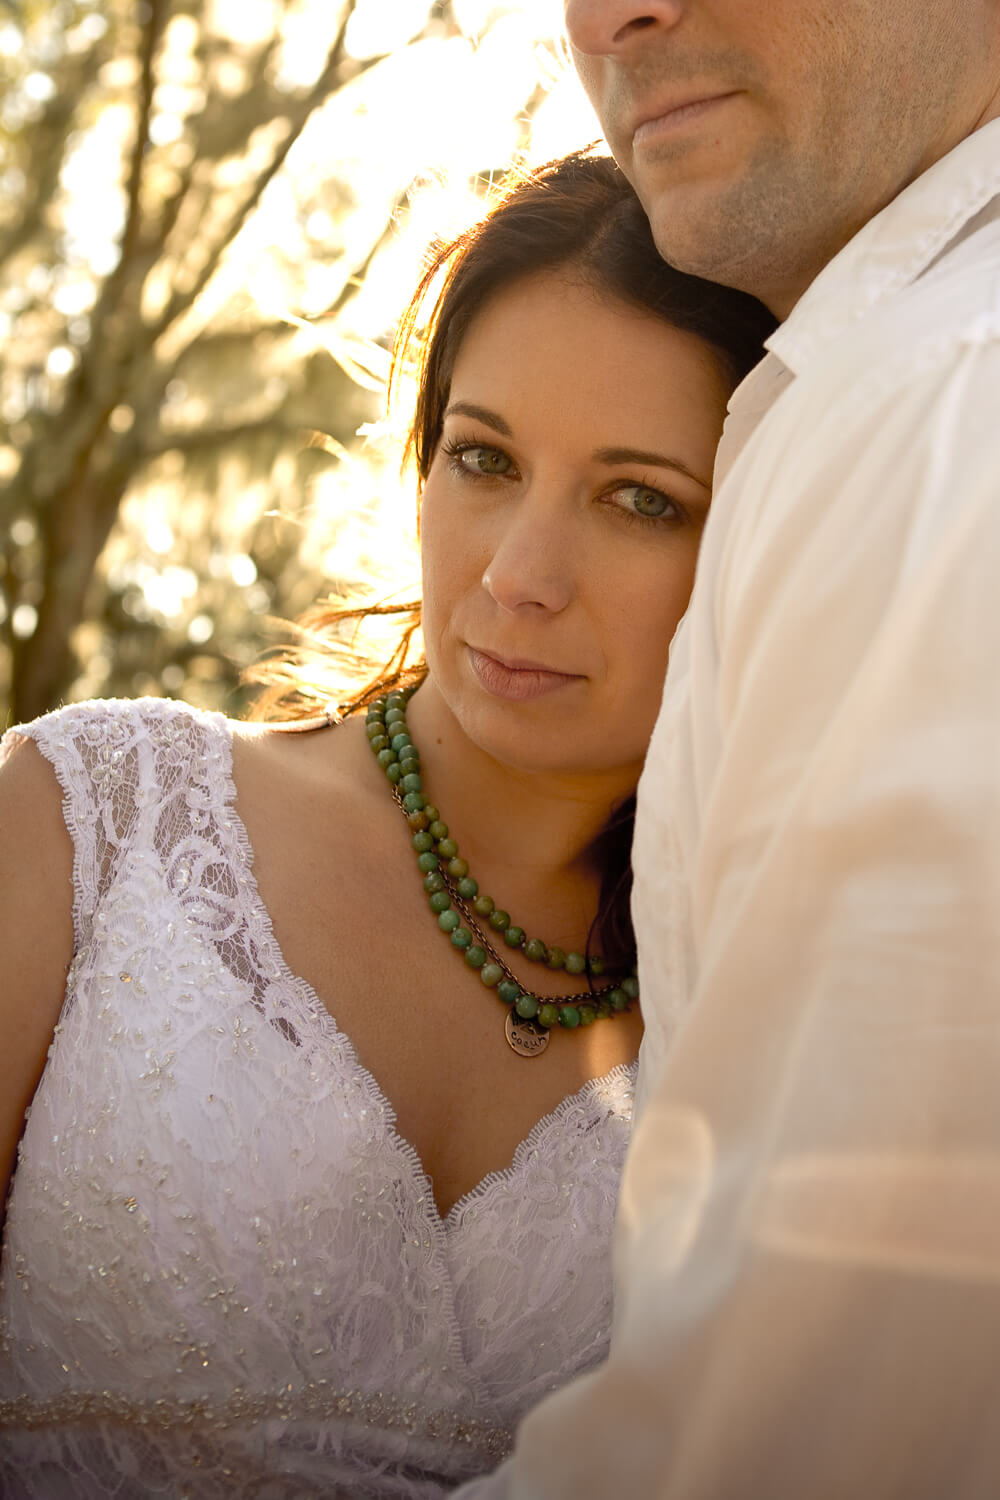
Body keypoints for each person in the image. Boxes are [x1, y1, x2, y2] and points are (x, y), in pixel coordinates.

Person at [0, 151, 773, 1497]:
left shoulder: (777, 1024)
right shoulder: (89, 824)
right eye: (484, 459)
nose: (520, 576)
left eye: (640, 498)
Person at [451, 4, 1000, 1498]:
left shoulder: (944, 405)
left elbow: (802, 1432)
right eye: (480, 456)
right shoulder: (870, 382)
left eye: (644, 500)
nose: (612, 9)